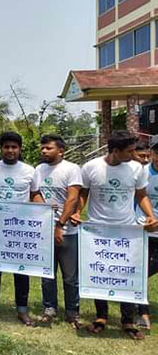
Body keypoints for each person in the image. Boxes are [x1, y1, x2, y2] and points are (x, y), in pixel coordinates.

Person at [73, 131, 158, 340]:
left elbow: (141, 195)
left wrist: (149, 215)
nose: (135, 154)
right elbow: (84, 193)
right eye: (130, 151)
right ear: (115, 151)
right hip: (98, 230)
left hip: (126, 230)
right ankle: (101, 316)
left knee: (126, 273)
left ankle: (127, 320)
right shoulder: (91, 167)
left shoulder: (136, 169)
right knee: (100, 271)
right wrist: (77, 211)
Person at [0, 132, 36, 326]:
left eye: (14, 147)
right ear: (1, 148)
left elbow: (35, 195)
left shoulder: (30, 171)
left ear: (20, 149)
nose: (10, 150)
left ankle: (22, 309)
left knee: (21, 270)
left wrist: (46, 211)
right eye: (6, 147)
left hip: (21, 229)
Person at [31, 135, 82, 329]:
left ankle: (72, 311)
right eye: (42, 148)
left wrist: (60, 225)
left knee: (70, 276)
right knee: (47, 273)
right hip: (44, 231)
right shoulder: (39, 169)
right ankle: (49, 308)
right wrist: (43, 206)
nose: (44, 151)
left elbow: (72, 199)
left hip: (67, 232)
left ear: (61, 151)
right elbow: (34, 193)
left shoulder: (72, 169)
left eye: (48, 148)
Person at [134, 136, 158, 330]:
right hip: (144, 230)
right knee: (140, 270)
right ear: (151, 153)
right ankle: (142, 312)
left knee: (144, 271)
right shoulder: (141, 173)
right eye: (157, 151)